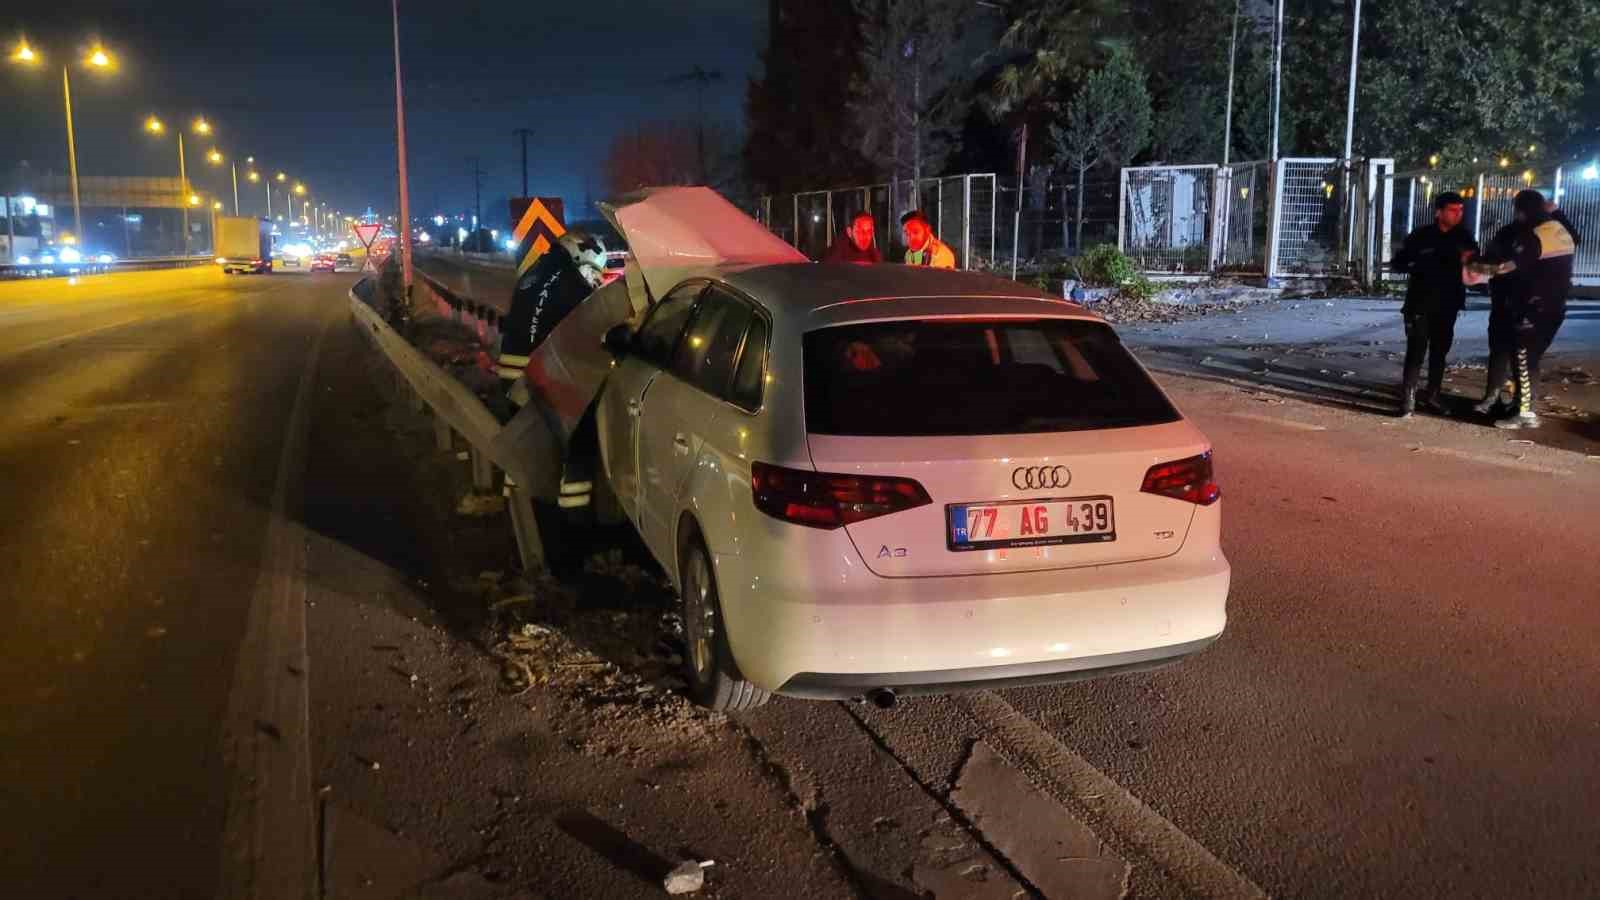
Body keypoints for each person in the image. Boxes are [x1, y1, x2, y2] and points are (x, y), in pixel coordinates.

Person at [1491, 189, 1577, 429]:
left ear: (1522, 211)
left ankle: (1525, 413)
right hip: (1554, 306)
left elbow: (1509, 267)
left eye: (1518, 211)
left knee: (1523, 358)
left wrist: (1479, 269)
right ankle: (1522, 403)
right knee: (1530, 359)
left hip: (1534, 307)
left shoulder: (1533, 236)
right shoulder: (1560, 231)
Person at [1388, 191, 1479, 416]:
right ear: (1438, 212)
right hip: (1419, 303)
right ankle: (1408, 398)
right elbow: (1398, 263)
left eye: (1461, 210)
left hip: (1448, 304)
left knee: (1440, 352)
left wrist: (1472, 265)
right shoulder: (1421, 236)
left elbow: (1474, 270)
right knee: (1416, 351)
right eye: (1452, 210)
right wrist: (1420, 264)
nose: (1458, 214)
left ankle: (1433, 395)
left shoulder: (1464, 238)